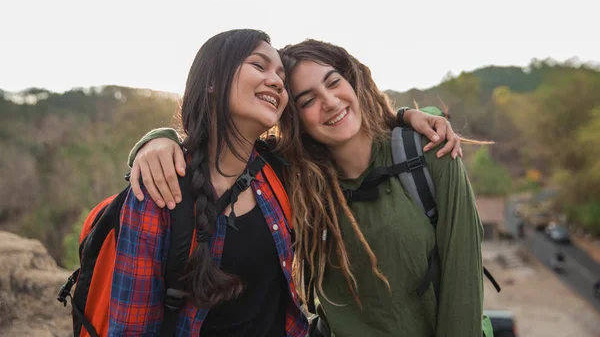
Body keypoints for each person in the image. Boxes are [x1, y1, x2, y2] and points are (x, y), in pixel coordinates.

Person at [130, 40, 482, 336]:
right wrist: (158, 139)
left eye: (333, 82)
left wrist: (410, 115)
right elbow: (223, 151)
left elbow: (463, 285)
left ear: (354, 81)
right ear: (293, 117)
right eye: (308, 100)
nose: (329, 102)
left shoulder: (427, 152)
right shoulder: (291, 175)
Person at [110, 29, 309, 336]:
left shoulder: (280, 171)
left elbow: (349, 137)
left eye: (281, 75)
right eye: (259, 65)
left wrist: (406, 118)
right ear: (213, 80)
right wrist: (158, 140)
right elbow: (131, 328)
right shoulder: (161, 190)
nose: (277, 81)